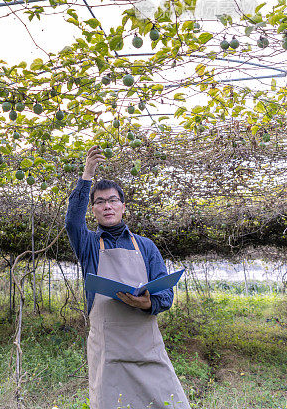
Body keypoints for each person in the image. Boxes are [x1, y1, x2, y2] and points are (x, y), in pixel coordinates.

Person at [65, 144, 191, 409]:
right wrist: (87, 174)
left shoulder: (145, 246)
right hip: (108, 349)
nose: (107, 206)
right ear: (94, 210)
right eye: (100, 202)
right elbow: (72, 223)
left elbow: (165, 293)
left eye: (112, 200)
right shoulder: (88, 244)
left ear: (123, 206)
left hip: (146, 347)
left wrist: (148, 303)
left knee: (171, 403)